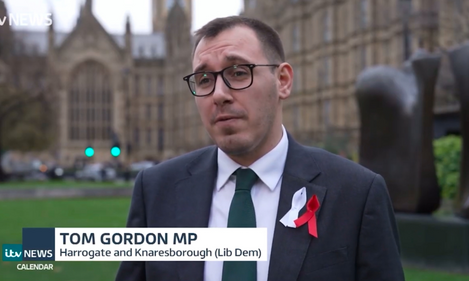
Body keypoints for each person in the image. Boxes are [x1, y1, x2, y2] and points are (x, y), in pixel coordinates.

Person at [115, 16, 405, 281]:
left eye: (238, 72)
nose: (218, 94)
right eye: (204, 80)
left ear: (283, 81)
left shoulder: (357, 194)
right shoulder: (155, 191)